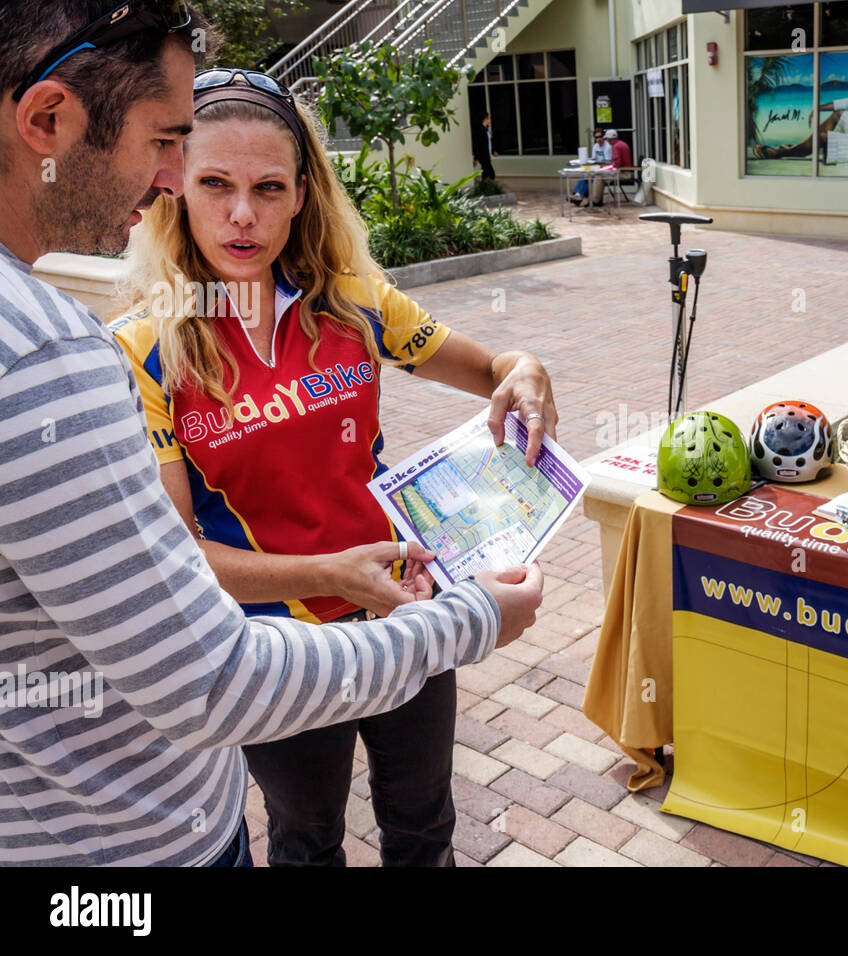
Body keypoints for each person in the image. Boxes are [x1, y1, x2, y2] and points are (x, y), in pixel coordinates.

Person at [0, 0, 543, 867]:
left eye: (268, 189)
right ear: (177, 189)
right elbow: (175, 559)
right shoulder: (140, 350)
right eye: (214, 184)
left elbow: (492, 370)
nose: (241, 216)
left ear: (302, 198)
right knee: (306, 840)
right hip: (273, 648)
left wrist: (525, 372)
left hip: (410, 605)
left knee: (423, 826)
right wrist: (326, 577)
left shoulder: (357, 304)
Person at [588, 128, 633, 207]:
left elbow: (617, 164)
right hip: (624, 170)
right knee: (600, 174)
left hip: (624, 173)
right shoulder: (621, 144)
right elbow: (617, 162)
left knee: (599, 176)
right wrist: (607, 167)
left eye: (606, 139)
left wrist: (605, 168)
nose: (606, 141)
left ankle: (596, 201)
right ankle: (597, 200)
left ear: (610, 139)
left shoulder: (616, 146)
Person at [569, 128, 610, 204]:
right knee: (585, 174)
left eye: (600, 136)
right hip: (597, 167)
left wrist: (594, 169)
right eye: (596, 137)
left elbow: (608, 163)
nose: (598, 139)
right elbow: (593, 159)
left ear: (604, 137)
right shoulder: (595, 146)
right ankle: (578, 195)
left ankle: (579, 196)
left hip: (605, 168)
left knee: (589, 176)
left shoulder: (608, 147)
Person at [472, 112, 498, 182]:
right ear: (485, 119)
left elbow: (488, 143)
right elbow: (477, 144)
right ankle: (485, 187)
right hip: (483, 155)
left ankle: (485, 187)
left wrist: (493, 151)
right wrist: (476, 158)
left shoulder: (486, 130)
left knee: (486, 173)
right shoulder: (479, 130)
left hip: (487, 154)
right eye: (489, 118)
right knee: (490, 173)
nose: (490, 120)